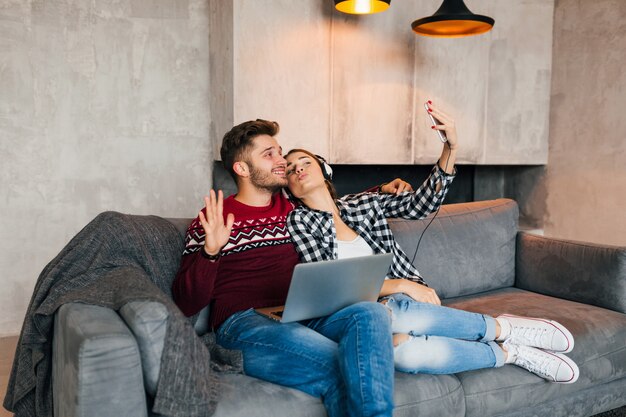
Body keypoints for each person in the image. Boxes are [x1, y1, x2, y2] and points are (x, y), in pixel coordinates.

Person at [284, 102, 580, 384]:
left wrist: (450, 148)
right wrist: (401, 284)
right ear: (288, 188)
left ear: (324, 170)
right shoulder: (299, 221)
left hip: (402, 304)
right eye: (289, 169)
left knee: (396, 315)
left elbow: (421, 206)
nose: (297, 168)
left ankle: (505, 332)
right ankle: (509, 345)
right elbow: (333, 283)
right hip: (361, 311)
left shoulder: (363, 204)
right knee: (403, 352)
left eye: (305, 161)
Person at [173, 119, 415, 417]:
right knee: (341, 365)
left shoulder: (291, 208)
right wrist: (210, 252)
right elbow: (186, 302)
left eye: (279, 151)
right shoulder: (213, 219)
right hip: (244, 323)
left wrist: (382, 189)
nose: (281, 162)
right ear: (242, 169)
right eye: (269, 155)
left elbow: (331, 202)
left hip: (303, 314)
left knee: (371, 311)